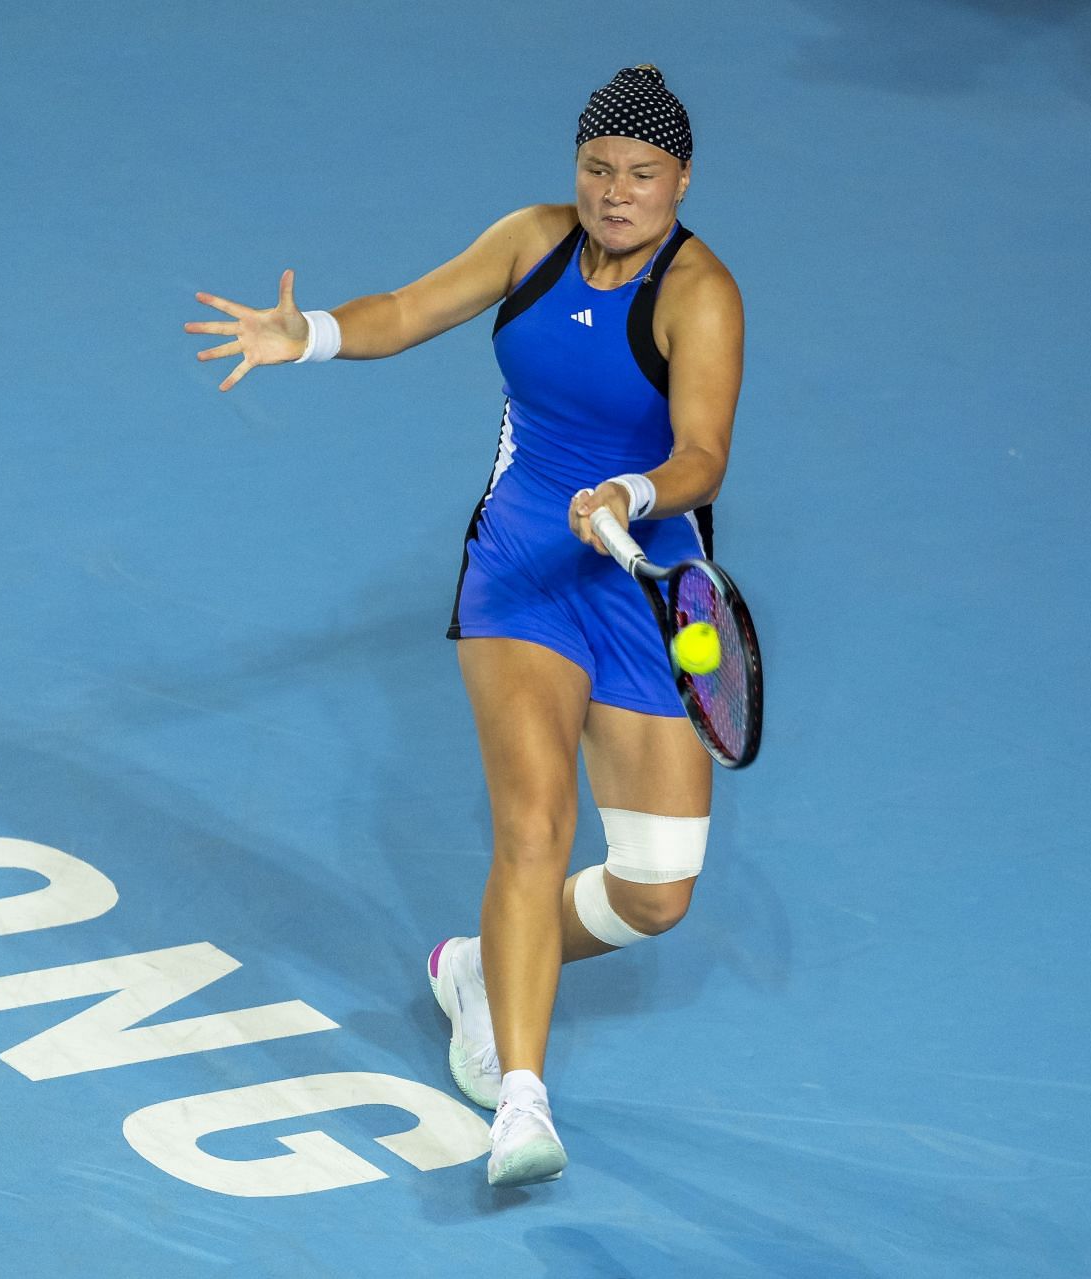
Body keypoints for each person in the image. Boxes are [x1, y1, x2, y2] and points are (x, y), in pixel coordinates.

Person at [184, 65, 743, 1188]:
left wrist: (631, 496)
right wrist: (316, 335)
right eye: (597, 169)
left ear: (680, 181)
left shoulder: (703, 294)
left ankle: (483, 968)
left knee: (657, 887)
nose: (614, 193)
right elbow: (404, 311)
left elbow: (701, 457)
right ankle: (522, 1101)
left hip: (641, 576)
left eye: (640, 175)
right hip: (525, 565)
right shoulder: (531, 241)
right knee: (533, 830)